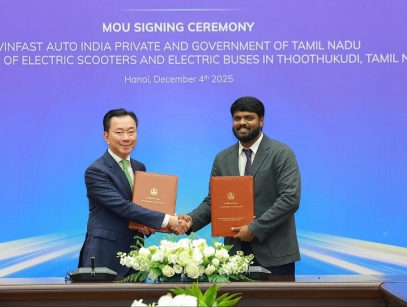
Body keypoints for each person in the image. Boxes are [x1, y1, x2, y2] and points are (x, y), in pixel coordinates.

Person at [178, 97, 301, 277]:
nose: (242, 123)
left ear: (261, 121)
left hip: (275, 255)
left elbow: (290, 199)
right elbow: (214, 201)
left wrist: (254, 229)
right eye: (237, 118)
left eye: (249, 118)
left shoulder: (281, 153)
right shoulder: (223, 158)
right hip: (233, 255)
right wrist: (191, 219)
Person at [78, 108, 183, 277]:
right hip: (104, 256)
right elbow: (123, 207)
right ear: (106, 136)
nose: (126, 138)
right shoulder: (96, 171)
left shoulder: (139, 167)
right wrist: (167, 220)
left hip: (135, 257)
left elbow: (140, 208)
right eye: (119, 132)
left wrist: (146, 227)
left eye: (131, 132)